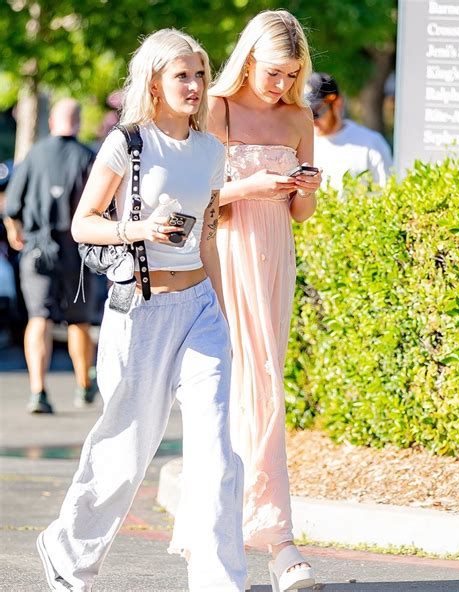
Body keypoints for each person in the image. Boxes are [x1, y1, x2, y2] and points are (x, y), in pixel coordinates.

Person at [35, 29, 246, 592]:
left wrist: (225, 315)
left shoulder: (211, 152)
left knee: (218, 448)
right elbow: (84, 222)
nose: (196, 85)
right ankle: (67, 551)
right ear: (154, 81)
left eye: (200, 74)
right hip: (143, 308)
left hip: (200, 307)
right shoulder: (127, 144)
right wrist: (138, 228)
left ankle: (220, 580)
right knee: (126, 451)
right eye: (183, 75)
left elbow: (207, 241)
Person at [208, 10, 321, 592]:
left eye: (291, 75)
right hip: (223, 255)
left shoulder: (300, 117)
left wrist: (307, 190)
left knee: (266, 385)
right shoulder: (217, 110)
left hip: (274, 257)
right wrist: (245, 188)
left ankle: (275, 536)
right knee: (228, 391)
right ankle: (235, 537)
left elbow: (300, 216)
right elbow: (194, 200)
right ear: (249, 58)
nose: (281, 86)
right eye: (274, 73)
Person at [4, 98, 97, 413]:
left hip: (37, 249)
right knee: (78, 322)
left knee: (38, 317)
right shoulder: (87, 158)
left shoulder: (34, 155)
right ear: (78, 122)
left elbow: (12, 205)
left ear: (53, 121)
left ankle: (38, 391)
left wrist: (13, 230)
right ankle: (84, 384)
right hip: (77, 250)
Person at [306, 72, 393, 191]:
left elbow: (386, 193)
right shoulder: (300, 144)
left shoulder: (371, 142)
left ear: (337, 103)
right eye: (305, 113)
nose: (312, 120)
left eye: (316, 112)